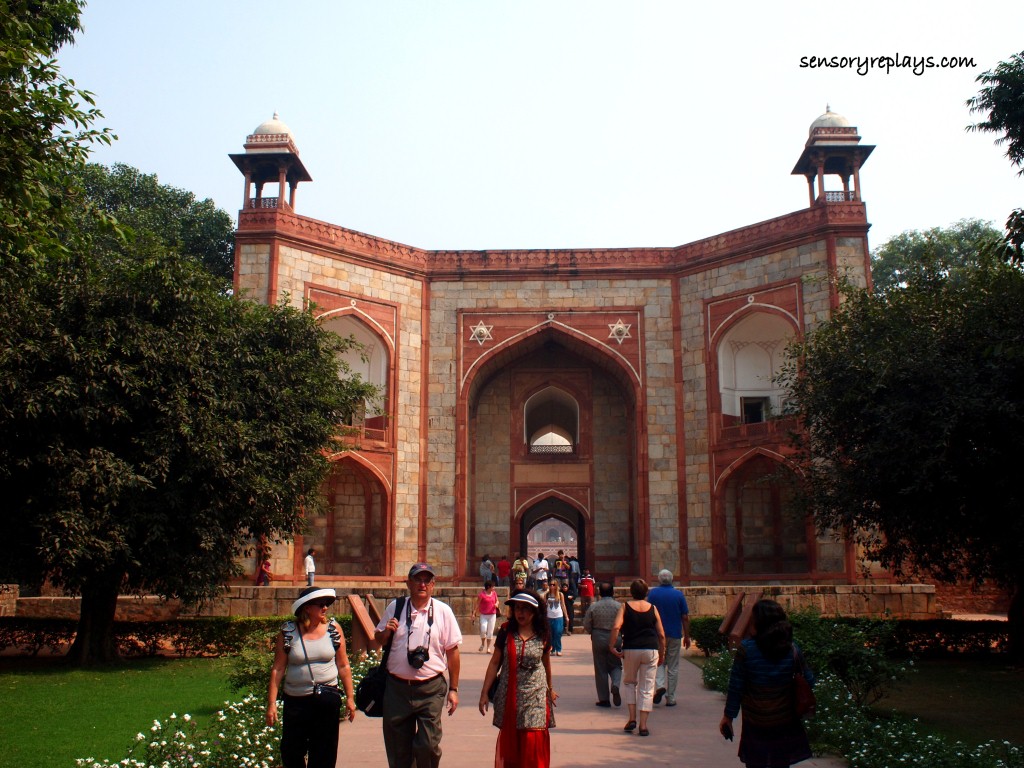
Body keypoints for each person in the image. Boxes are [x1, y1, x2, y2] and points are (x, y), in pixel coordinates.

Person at [373, 563, 463, 768]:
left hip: (430, 689)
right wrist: (386, 632)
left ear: (433, 585)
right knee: (399, 751)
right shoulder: (395, 607)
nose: (422, 584)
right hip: (397, 689)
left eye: (426, 580)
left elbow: (452, 651)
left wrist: (454, 689)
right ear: (408, 583)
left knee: (428, 745)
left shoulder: (443, 611)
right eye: (417, 580)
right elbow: (378, 639)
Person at [266, 587, 356, 768]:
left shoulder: (333, 629)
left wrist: (350, 697)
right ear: (307, 608)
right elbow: (278, 668)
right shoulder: (288, 632)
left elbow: (343, 665)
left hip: (326, 699)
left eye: (327, 604)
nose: (325, 608)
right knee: (291, 750)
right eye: (321, 605)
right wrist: (271, 703)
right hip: (296, 700)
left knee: (324, 752)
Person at [719, 599, 815, 768]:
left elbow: (736, 687)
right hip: (783, 720)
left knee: (755, 763)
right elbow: (809, 680)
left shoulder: (746, 649)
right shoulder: (791, 649)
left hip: (756, 721)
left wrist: (728, 717)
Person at [478, 591, 557, 768]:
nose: (520, 613)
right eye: (517, 608)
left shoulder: (543, 634)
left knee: (533, 739)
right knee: (512, 743)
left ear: (535, 611)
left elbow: (546, 663)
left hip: (535, 695)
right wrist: (484, 693)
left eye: (525, 609)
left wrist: (550, 689)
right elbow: (495, 662)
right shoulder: (506, 631)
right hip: (510, 696)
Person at [609, 579, 665, 737]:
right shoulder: (652, 608)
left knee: (630, 683)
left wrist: (611, 646)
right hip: (650, 649)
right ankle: (643, 726)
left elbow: (616, 626)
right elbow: (661, 634)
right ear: (646, 592)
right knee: (647, 687)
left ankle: (632, 718)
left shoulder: (625, 607)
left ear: (631, 592)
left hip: (631, 648)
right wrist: (662, 653)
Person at [646, 569, 691, 706]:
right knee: (673, 666)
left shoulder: (653, 594)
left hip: (657, 634)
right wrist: (687, 636)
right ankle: (671, 697)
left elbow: (648, 613)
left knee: (659, 661)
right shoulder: (678, 595)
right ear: (672, 579)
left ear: (659, 579)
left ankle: (660, 686)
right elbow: (684, 617)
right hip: (674, 633)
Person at [582, 581, 622, 708]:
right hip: (615, 637)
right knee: (616, 665)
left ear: (599, 592)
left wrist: (592, 632)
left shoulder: (594, 606)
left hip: (599, 637)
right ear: (613, 592)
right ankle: (615, 684)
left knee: (600, 668)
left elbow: (586, 624)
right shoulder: (619, 607)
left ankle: (604, 699)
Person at [538, 579, 567, 655]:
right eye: (550, 584)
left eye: (553, 585)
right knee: (551, 634)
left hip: (558, 616)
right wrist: (542, 615)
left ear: (556, 586)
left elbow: (563, 605)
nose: (552, 586)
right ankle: (552, 649)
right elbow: (544, 605)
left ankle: (558, 649)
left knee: (558, 632)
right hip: (549, 616)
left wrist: (566, 616)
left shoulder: (560, 594)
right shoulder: (547, 594)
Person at [472, 579, 500, 653]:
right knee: (483, 630)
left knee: (490, 632)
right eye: (492, 586)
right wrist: (474, 613)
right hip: (484, 615)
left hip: (492, 615)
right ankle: (482, 644)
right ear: (488, 587)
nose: (494, 588)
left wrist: (496, 604)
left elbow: (497, 600)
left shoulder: (494, 593)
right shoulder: (482, 595)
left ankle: (488, 647)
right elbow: (477, 604)